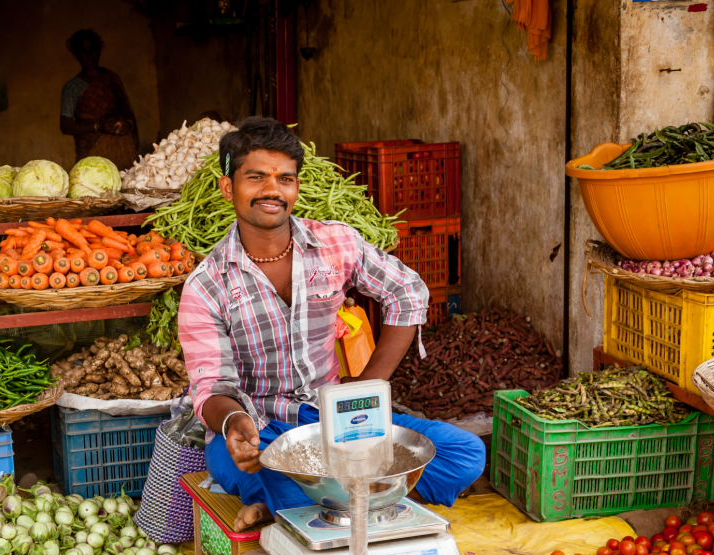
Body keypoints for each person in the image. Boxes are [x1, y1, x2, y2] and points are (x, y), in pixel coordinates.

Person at [178, 117, 485, 532]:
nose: (272, 189)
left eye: (285, 179)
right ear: (228, 187)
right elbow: (212, 387)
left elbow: (407, 292)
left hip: (336, 418)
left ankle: (322, 499)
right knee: (248, 467)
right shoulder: (207, 284)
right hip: (264, 426)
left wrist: (366, 388)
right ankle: (324, 496)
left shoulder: (334, 243)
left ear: (296, 188)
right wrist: (235, 425)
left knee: (463, 453)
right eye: (256, 177)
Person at [59, 30, 139, 169]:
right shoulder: (71, 87)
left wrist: (128, 125)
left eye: (93, 49)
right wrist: (97, 127)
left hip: (122, 148)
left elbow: (127, 113)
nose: (89, 55)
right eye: (84, 51)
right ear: (77, 55)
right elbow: (65, 126)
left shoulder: (112, 79)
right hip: (91, 152)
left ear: (99, 51)